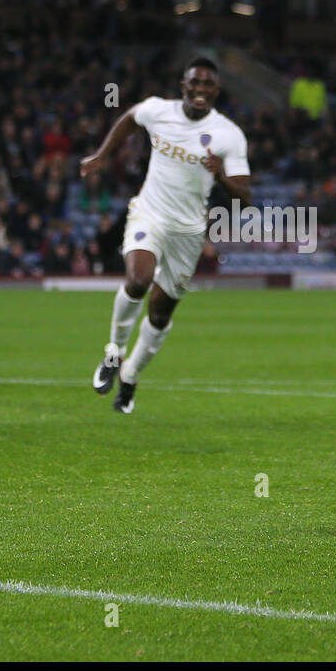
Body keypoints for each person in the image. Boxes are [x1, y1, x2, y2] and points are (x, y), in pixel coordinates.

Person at [80, 58, 250, 414]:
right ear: (183, 85)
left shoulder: (228, 135)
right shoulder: (158, 110)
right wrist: (101, 155)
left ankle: (130, 377)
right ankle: (114, 352)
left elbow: (245, 197)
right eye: (195, 83)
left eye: (208, 85)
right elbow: (129, 119)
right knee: (138, 280)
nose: (200, 90)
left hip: (187, 232)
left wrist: (220, 176)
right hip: (150, 214)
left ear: (216, 91)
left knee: (159, 314)